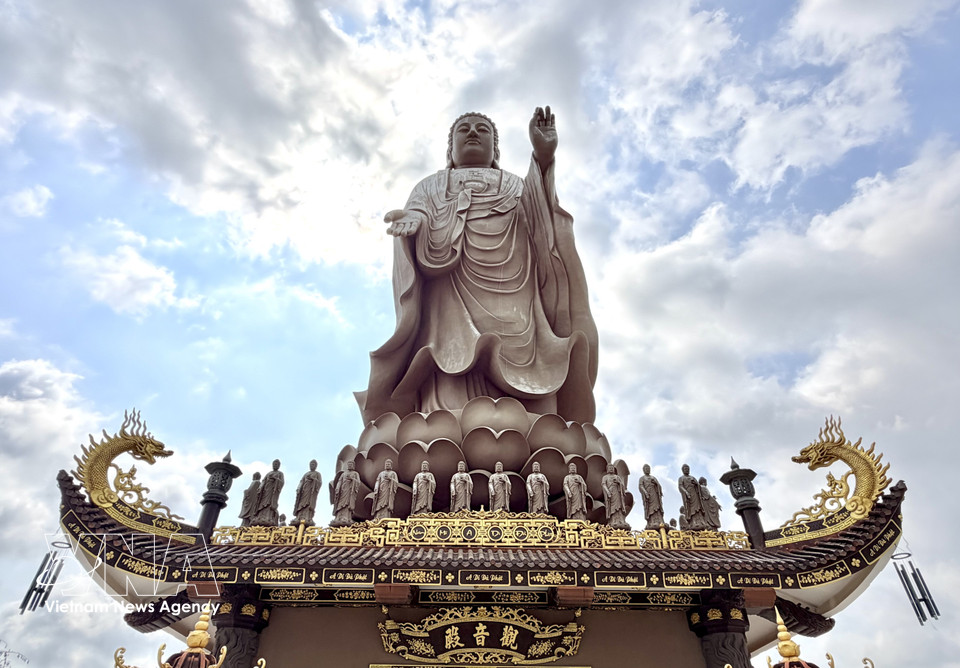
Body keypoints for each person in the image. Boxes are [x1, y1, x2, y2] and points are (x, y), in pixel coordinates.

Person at [356, 107, 599, 424]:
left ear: (495, 149)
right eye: (464, 129)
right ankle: (445, 423)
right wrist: (416, 222)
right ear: (450, 149)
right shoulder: (430, 186)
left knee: (535, 406)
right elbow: (417, 212)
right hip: (451, 297)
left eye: (482, 130)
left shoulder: (516, 185)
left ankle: (537, 426)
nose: (472, 132)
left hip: (518, 301)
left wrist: (542, 159)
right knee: (450, 366)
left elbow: (544, 224)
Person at [252, 460, 283, 526]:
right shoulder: (269, 473)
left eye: (276, 464)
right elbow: (263, 481)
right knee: (262, 503)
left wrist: (276, 479)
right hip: (265, 490)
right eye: (274, 464)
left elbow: (281, 482)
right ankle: (260, 516)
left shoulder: (280, 473)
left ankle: (267, 517)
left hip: (272, 492)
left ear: (279, 466)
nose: (275, 465)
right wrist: (260, 487)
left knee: (269, 503)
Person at [331, 460, 361, 527]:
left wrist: (352, 479)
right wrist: (338, 489)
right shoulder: (343, 474)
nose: (350, 465)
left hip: (350, 492)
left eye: (351, 464)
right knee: (340, 504)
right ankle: (339, 517)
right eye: (349, 464)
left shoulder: (355, 473)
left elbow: (358, 482)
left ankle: (347, 517)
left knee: (347, 504)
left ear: (353, 466)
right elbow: (339, 481)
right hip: (343, 491)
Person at [293, 460, 322, 527]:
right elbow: (301, 482)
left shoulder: (317, 474)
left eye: (313, 465)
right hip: (304, 491)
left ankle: (307, 516)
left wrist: (313, 480)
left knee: (308, 504)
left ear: (316, 466)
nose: (312, 466)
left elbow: (319, 483)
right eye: (311, 464)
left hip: (311, 492)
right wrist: (298, 488)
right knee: (301, 503)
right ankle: (299, 516)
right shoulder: (306, 474)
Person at [678, 464, 707, 531]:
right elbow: (680, 487)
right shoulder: (681, 478)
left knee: (698, 508)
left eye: (688, 469)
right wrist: (686, 492)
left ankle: (701, 522)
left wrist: (696, 484)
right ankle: (693, 522)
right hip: (688, 496)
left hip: (695, 494)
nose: (687, 470)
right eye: (685, 469)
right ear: (683, 470)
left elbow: (698, 486)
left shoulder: (692, 478)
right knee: (691, 509)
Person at [602, 464, 630, 530]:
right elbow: (603, 485)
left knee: (619, 507)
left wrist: (619, 483)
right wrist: (607, 492)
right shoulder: (605, 477)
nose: (611, 469)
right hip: (610, 493)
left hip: (617, 493)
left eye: (612, 468)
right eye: (610, 468)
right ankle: (613, 520)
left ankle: (620, 520)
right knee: (612, 507)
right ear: (607, 469)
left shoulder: (617, 477)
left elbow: (622, 486)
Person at [637, 464, 665, 530]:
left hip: (654, 494)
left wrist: (656, 483)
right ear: (643, 470)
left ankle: (660, 520)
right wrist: (645, 492)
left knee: (657, 507)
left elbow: (659, 486)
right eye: (646, 469)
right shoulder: (642, 478)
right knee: (650, 508)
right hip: (648, 495)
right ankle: (652, 521)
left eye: (648, 468)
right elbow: (640, 486)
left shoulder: (653, 478)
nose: (647, 470)